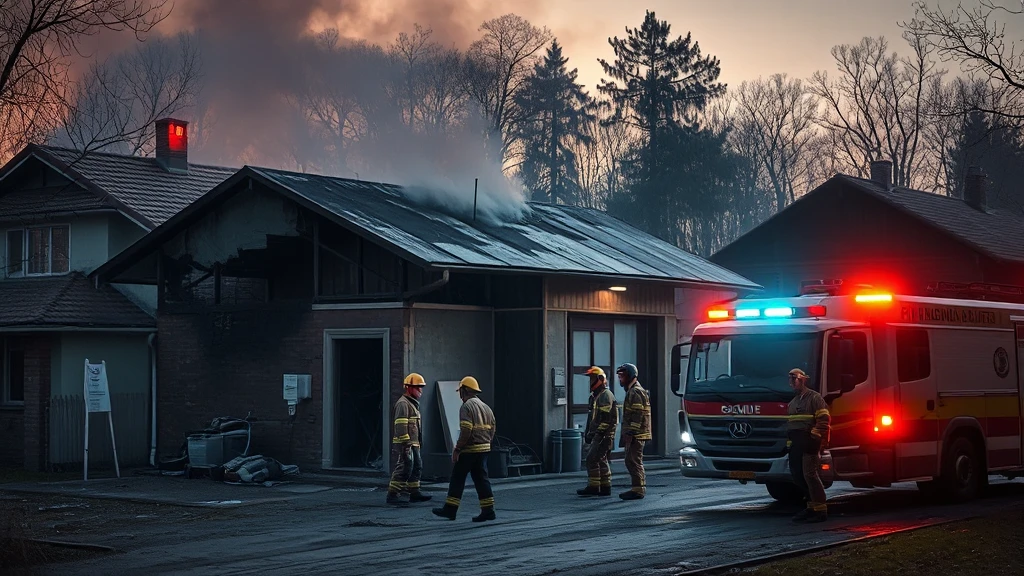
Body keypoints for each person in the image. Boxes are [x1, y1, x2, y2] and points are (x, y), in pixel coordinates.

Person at [432, 376, 497, 522]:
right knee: (481, 479)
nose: (460, 395)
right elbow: (493, 429)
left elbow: (466, 430)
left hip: (470, 450)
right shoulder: (486, 407)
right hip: (484, 449)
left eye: (460, 391)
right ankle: (488, 510)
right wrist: (487, 443)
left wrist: (458, 448)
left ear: (464, 390)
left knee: (457, 478)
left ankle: (450, 510)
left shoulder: (466, 407)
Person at [787, 368, 831, 523]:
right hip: (797, 443)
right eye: (790, 380)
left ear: (802, 380)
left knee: (810, 475)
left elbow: (824, 419)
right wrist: (790, 444)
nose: (791, 383)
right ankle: (811, 507)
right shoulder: (793, 402)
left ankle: (820, 510)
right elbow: (791, 425)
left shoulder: (815, 398)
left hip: (810, 442)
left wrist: (815, 438)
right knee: (798, 475)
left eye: (794, 379)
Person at [386, 373, 432, 505]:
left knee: (417, 466)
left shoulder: (412, 404)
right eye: (417, 387)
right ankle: (393, 495)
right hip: (406, 443)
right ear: (408, 388)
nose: (420, 390)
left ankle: (414, 493)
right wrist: (405, 443)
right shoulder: (403, 404)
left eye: (421, 387)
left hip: (413, 443)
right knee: (404, 467)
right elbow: (400, 425)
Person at [577, 367, 619, 497]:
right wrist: (588, 432)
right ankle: (605, 486)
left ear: (600, 379)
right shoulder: (595, 396)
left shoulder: (606, 395)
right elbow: (592, 418)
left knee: (592, 459)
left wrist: (598, 434)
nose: (590, 382)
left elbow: (606, 419)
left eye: (592, 378)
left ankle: (594, 487)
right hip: (599, 434)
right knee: (601, 459)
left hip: (603, 435)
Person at [617, 363, 651, 500]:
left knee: (633, 460)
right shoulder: (632, 390)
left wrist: (632, 431)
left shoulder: (635, 391)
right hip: (636, 433)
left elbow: (638, 413)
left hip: (637, 434)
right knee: (630, 460)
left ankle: (638, 490)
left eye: (623, 376)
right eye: (619, 376)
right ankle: (637, 488)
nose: (620, 379)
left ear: (631, 375)